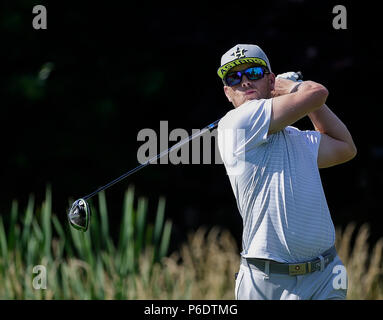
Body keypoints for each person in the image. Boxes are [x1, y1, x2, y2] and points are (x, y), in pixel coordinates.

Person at [216, 44, 357, 300]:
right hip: (267, 283)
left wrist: (296, 92)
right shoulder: (235, 124)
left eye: (254, 72)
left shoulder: (298, 138)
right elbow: (317, 92)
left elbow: (345, 147)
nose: (245, 82)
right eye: (234, 78)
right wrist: (293, 87)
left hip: (324, 277)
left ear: (270, 80)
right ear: (228, 92)